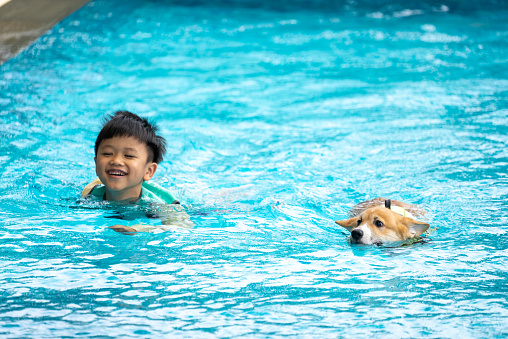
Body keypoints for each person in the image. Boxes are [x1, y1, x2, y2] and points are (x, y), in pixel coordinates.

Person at [81, 110, 193, 233]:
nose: (116, 161)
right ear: (96, 163)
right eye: (108, 153)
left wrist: (139, 229)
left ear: (148, 171)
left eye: (128, 156)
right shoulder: (90, 193)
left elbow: (182, 226)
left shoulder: (156, 204)